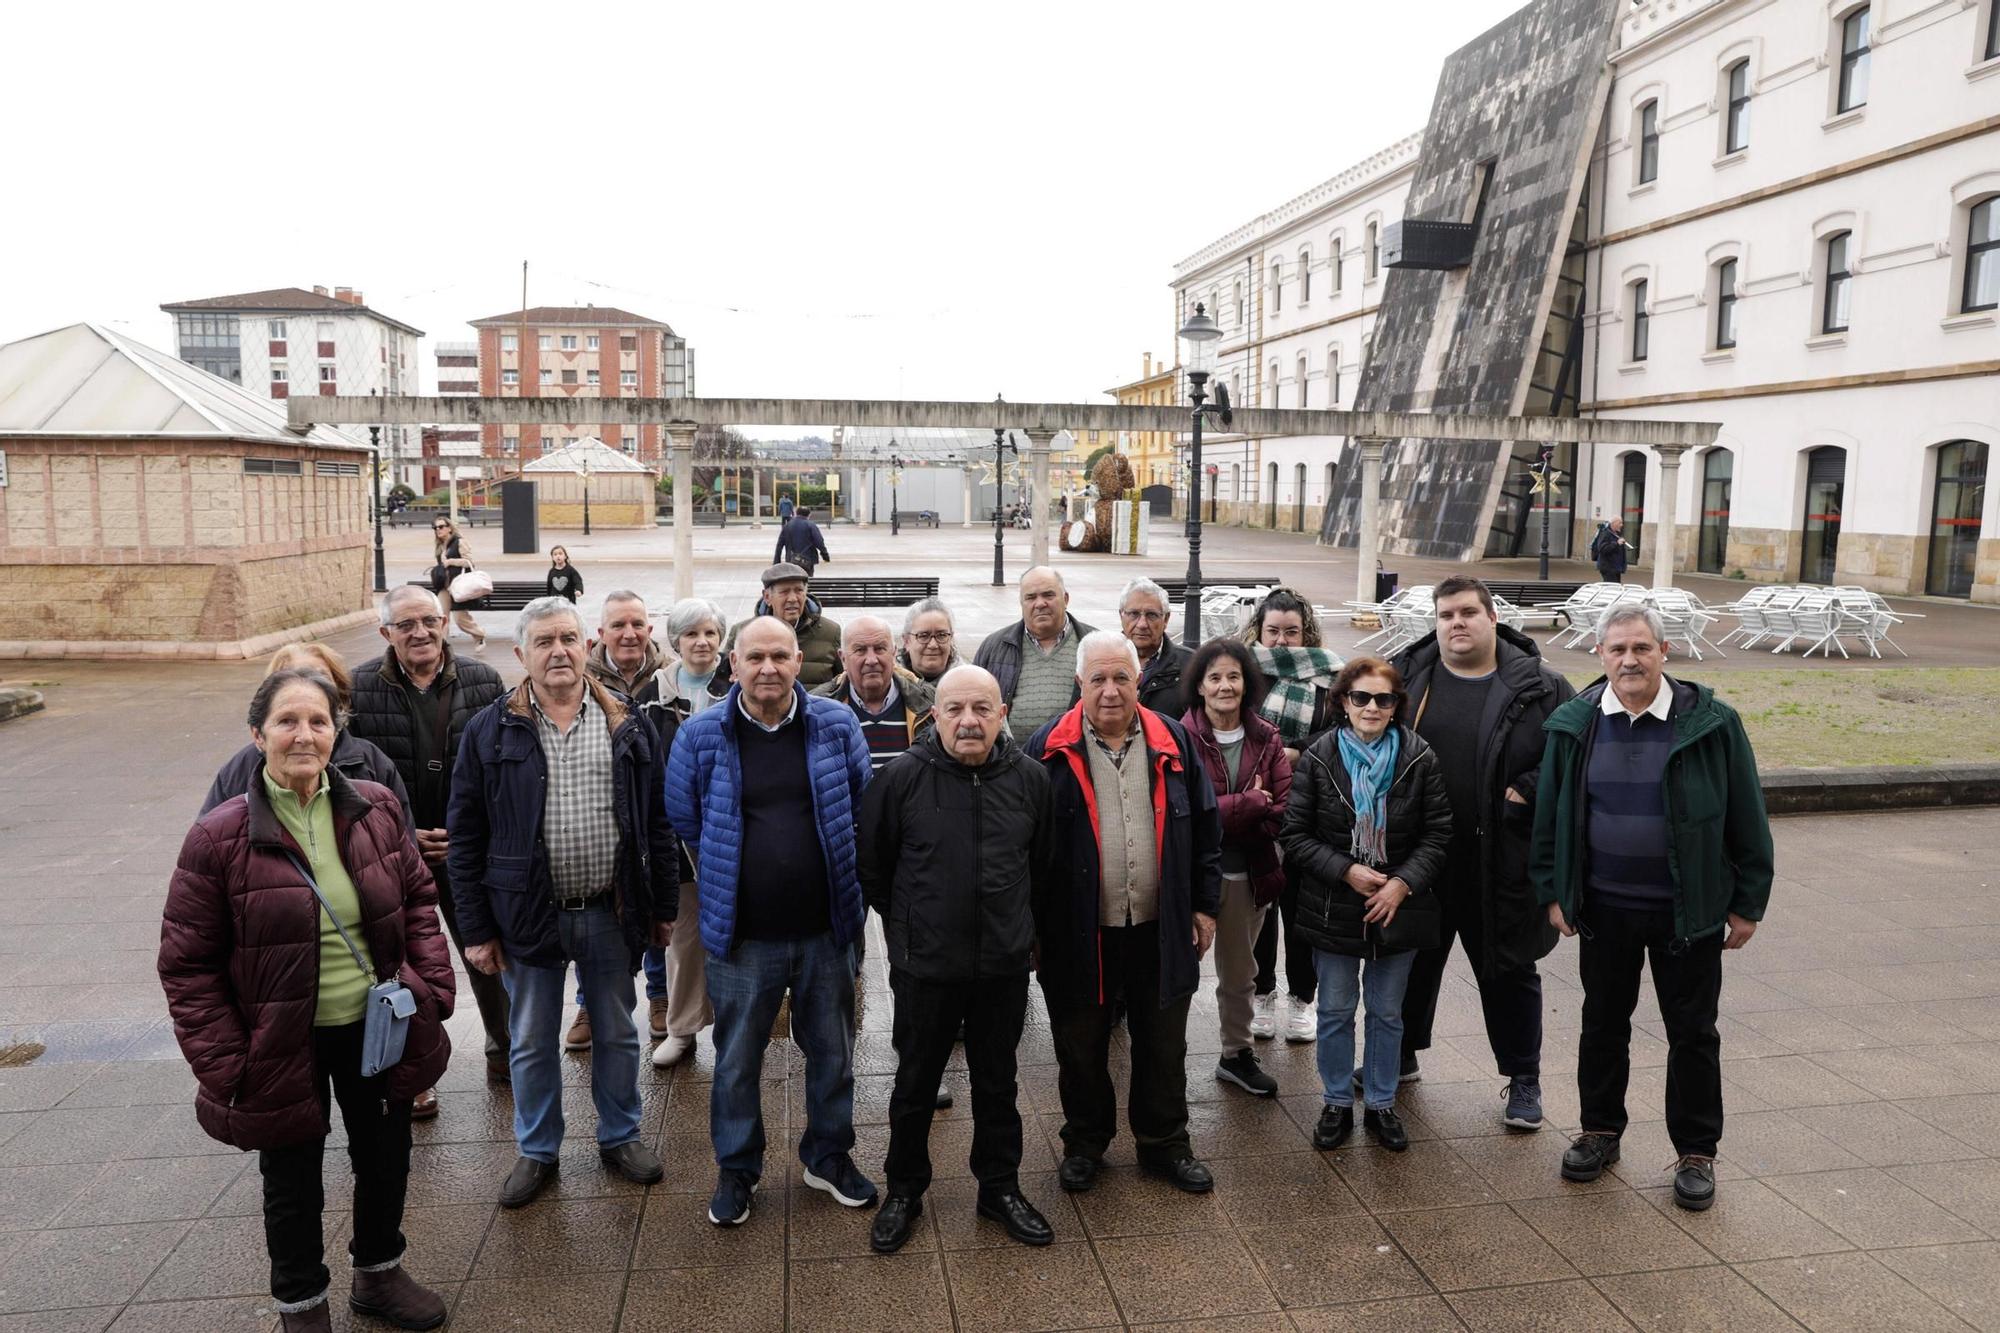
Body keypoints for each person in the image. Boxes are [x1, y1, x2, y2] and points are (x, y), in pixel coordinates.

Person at [161, 669, 455, 1332]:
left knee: (385, 1155)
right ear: (257, 735)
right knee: (292, 1180)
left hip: (374, 1025)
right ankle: (302, 1304)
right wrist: (227, 1060)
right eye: (288, 721)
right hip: (277, 1038)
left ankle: (379, 1274)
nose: (304, 734)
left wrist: (430, 989)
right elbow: (186, 963)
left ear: (336, 732)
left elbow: (417, 902)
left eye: (318, 721)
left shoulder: (375, 806)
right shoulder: (218, 837)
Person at [1533, 602, 1774, 1211]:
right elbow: (1549, 819)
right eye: (1617, 649)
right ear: (1600, 656)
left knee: (1692, 1032)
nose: (1630, 659)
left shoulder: (1712, 723)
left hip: (1686, 910)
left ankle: (1696, 1151)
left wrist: (1748, 903)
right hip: (1604, 908)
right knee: (1603, 1024)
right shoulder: (1573, 724)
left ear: (1664, 652)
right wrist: (1554, 892)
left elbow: (1747, 816)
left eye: (1642, 648)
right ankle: (1600, 1132)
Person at [446, 597, 677, 1208]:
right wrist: (475, 929)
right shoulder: (489, 730)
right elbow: (465, 837)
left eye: (569, 639)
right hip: (527, 914)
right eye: (544, 641)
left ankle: (620, 1134)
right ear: (521, 654)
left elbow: (654, 821)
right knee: (529, 1037)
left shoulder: (626, 721)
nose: (559, 652)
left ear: (587, 646)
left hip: (609, 908)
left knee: (617, 1031)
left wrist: (660, 908)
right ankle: (538, 1149)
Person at [664, 616, 878, 1227]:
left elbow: (861, 805)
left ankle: (828, 1157)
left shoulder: (835, 725)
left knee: (833, 1053)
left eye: (780, 657)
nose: (768, 668)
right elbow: (684, 816)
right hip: (743, 936)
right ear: (734, 664)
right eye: (755, 657)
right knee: (735, 1061)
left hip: (826, 929)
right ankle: (737, 1170)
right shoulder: (702, 734)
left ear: (797, 663)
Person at [859, 665, 1056, 1253]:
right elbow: (875, 868)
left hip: (1001, 965)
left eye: (981, 709)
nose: (968, 721)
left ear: (1000, 715)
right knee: (915, 1083)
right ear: (935, 715)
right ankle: (904, 1191)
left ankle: (999, 1188)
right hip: (927, 966)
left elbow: (1041, 870)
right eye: (955, 710)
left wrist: (1021, 935)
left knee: (998, 1083)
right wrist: (912, 929)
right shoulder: (900, 779)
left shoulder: (1031, 782)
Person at [1025, 631, 1222, 1196]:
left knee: (1164, 1045)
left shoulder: (1175, 741)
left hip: (1162, 927)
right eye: (1098, 680)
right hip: (1077, 932)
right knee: (1080, 1046)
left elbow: (1208, 831)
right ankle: (1085, 1142)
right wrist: (1035, 930)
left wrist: (1205, 909)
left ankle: (1165, 1145)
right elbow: (1026, 850)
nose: (1110, 691)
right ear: (1078, 684)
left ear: (1139, 681)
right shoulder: (1046, 748)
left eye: (1122, 679)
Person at [1390, 577, 1574, 1128]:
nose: (1456, 623)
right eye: (1446, 614)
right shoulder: (1406, 680)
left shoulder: (1542, 686)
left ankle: (1523, 1079)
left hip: (1502, 859)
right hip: (1424, 859)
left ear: (1493, 617)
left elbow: (1571, 757)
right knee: (1409, 962)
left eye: (1468, 612)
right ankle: (1398, 1057)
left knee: (1509, 969)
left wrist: (1529, 788)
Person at [349, 586, 509, 1112]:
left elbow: (504, 766)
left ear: (445, 623)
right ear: (385, 633)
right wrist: (401, 830)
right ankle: (414, 1071)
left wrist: (469, 833)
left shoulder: (484, 681)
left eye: (428, 621)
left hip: (467, 849)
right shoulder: (359, 690)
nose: (419, 632)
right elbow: (347, 776)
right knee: (400, 962)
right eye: (405, 625)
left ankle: (506, 1050)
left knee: (486, 952)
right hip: (393, 851)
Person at [1281, 657, 1449, 1154]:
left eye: (1383, 699)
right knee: (1334, 1009)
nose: (1372, 707)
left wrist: (1401, 883)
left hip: (1397, 907)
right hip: (1333, 904)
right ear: (1343, 702)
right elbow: (1295, 834)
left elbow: (1438, 833)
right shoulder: (1318, 757)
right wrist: (1345, 870)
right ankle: (1336, 1102)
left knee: (1387, 1012)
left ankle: (1380, 1102)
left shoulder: (1419, 757)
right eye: (1361, 697)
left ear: (1397, 705)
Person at [564, 591, 688, 1055]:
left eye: (637, 623)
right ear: (601, 634)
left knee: (653, 902)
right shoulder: (581, 673)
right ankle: (589, 1003)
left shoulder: (668, 676)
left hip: (652, 807)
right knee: (593, 915)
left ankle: (659, 996)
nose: (629, 633)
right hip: (598, 813)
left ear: (649, 629)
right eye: (618, 625)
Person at [1180, 639, 1291, 1099]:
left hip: (1250, 871)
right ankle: (1163, 1055)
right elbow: (1185, 810)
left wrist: (1225, 813)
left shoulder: (1268, 738)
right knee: (1177, 968)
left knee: (1241, 972)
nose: (1225, 686)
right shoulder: (1179, 736)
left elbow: (1281, 809)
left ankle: (1236, 1053)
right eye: (1215, 677)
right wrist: (1247, 802)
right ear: (1200, 686)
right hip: (1189, 875)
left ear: (1247, 684)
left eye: (1233, 676)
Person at [1242, 587, 1342, 1045]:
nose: (1281, 641)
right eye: (1273, 631)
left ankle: (1303, 999)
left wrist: (1296, 751)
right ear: (1259, 631)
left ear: (1308, 632)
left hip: (1310, 807)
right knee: (1258, 906)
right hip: (1256, 807)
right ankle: (1261, 994)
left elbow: (1340, 728)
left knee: (1301, 909)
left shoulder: (1330, 674)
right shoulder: (1241, 671)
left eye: (1292, 631)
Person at [202, 643, 410, 826]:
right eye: (292, 677)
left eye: (320, 678)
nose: (306, 686)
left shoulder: (373, 764)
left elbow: (399, 850)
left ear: (340, 693)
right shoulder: (239, 771)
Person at [973, 566, 1097, 739]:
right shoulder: (994, 648)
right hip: (1011, 761)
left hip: (1075, 760)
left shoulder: (1095, 645)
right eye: (1031, 597)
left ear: (1065, 598)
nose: (1040, 604)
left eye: (1048, 595)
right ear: (1022, 604)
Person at [813, 615, 936, 772]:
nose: (871, 660)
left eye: (879, 648)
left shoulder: (930, 704)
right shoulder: (818, 708)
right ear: (843, 658)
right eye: (860, 650)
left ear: (893, 653)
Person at [725, 562, 843, 688]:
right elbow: (722, 680)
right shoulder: (741, 632)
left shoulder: (830, 632)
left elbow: (843, 680)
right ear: (767, 597)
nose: (792, 598)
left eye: (799, 591)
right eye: (784, 592)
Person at [1120, 577, 1193, 717]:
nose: (1142, 624)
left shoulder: (1191, 665)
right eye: (1134, 614)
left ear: (1166, 619)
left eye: (1151, 615)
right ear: (1121, 615)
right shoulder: (1101, 660)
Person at [429, 516, 485, 648]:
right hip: (444, 586)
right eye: (435, 527)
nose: (438, 530)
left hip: (458, 585)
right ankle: (441, 645)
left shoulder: (459, 542)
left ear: (449, 528)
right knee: (441, 617)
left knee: (460, 618)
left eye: (441, 526)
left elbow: (469, 562)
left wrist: (451, 561)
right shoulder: (439, 546)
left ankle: (479, 634)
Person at [897, 597, 961, 684]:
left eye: (941, 635)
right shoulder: (888, 685)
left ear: (951, 639)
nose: (933, 645)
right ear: (907, 641)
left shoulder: (968, 682)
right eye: (923, 636)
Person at [775, 504, 832, 576]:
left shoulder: (788, 525)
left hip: (791, 559)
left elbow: (780, 544)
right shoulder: (811, 525)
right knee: (807, 580)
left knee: (794, 580)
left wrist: (777, 561)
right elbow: (819, 542)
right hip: (807, 559)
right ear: (809, 515)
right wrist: (825, 556)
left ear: (796, 513)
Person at [1591, 517, 1630, 583]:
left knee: (1615, 588)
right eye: (1620, 523)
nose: (1622, 525)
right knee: (1611, 588)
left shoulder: (1616, 533)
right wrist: (1616, 543)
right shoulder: (1605, 533)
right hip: (1608, 567)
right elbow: (1602, 549)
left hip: (1616, 567)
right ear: (1613, 523)